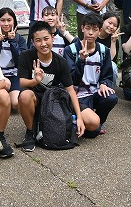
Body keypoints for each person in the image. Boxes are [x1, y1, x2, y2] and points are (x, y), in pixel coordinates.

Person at [17, 21, 85, 152]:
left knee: (92, 123)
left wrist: (79, 117)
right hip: (34, 98)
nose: (43, 44)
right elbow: (22, 83)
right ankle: (30, 132)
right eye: (38, 40)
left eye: (46, 39)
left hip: (52, 100)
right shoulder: (26, 56)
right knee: (25, 95)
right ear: (33, 42)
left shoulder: (61, 62)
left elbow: (70, 89)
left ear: (53, 38)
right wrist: (35, 81)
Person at [63, 13, 118, 137]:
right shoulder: (70, 50)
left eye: (95, 29)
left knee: (111, 97)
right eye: (88, 28)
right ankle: (84, 123)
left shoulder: (104, 51)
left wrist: (104, 84)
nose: (91, 33)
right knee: (92, 133)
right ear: (82, 28)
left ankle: (98, 123)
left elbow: (107, 75)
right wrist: (81, 61)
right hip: (77, 96)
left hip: (94, 92)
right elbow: (71, 80)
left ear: (100, 31)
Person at [0, 7, 27, 110]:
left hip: (13, 75)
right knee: (2, 95)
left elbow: (21, 61)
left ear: (14, 21)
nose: (6, 24)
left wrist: (13, 42)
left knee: (16, 103)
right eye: (2, 20)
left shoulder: (19, 39)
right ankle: (2, 99)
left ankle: (6, 99)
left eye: (9, 20)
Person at [97, 12, 122, 86]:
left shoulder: (114, 40)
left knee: (113, 66)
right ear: (103, 21)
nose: (111, 27)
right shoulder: (93, 35)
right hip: (92, 65)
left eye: (115, 26)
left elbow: (111, 60)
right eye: (110, 23)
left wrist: (113, 42)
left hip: (105, 67)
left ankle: (109, 89)